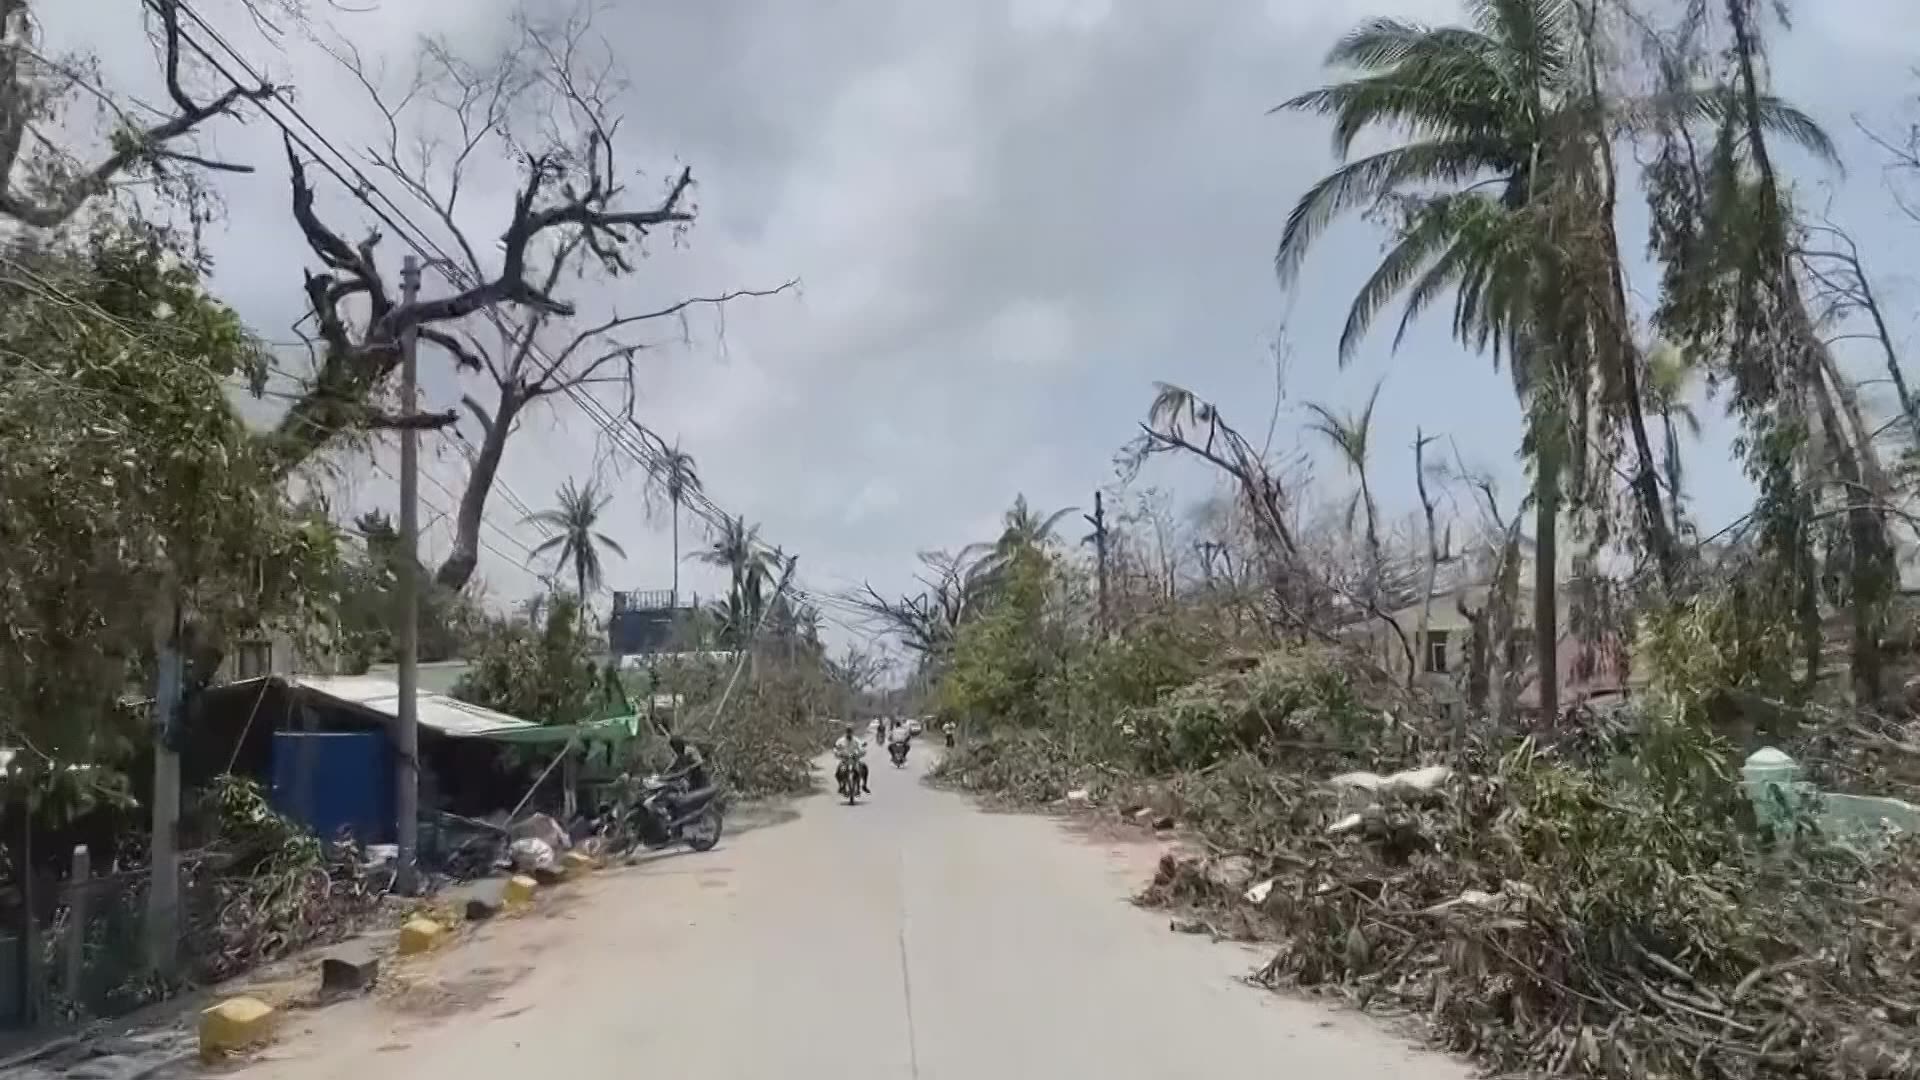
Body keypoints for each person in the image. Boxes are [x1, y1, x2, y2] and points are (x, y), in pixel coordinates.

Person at [834, 725, 871, 794]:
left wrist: (861, 752)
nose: (849, 734)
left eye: (850, 732)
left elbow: (861, 748)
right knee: (838, 773)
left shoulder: (856, 740)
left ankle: (864, 785)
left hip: (854, 760)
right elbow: (836, 748)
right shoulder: (841, 741)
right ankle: (841, 785)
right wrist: (838, 753)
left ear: (852, 733)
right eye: (848, 732)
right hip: (845, 760)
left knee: (864, 767)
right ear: (846, 733)